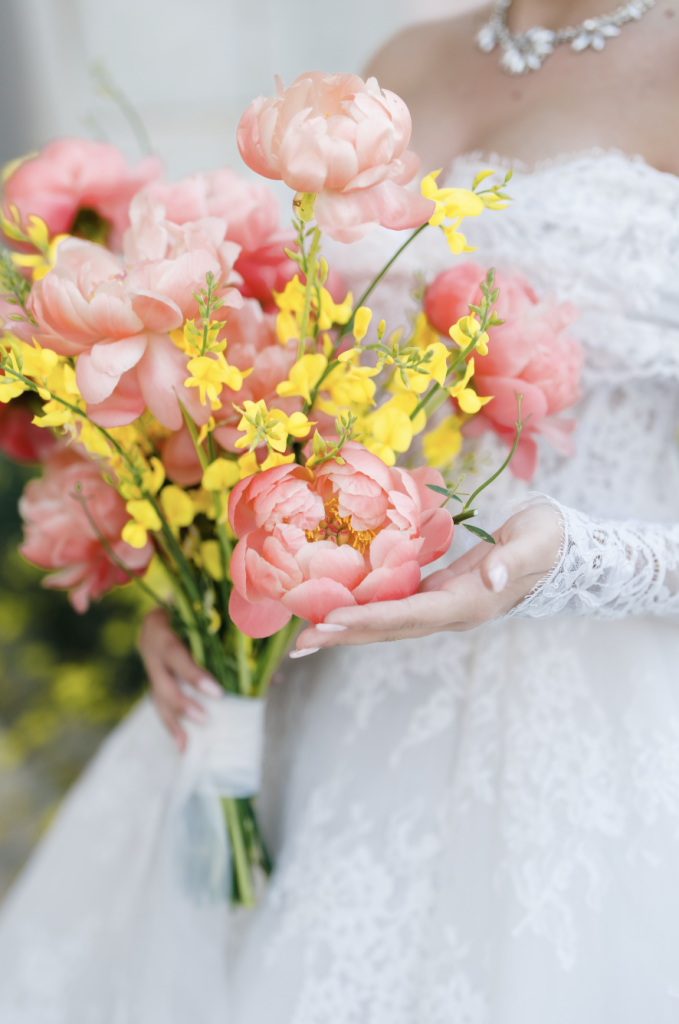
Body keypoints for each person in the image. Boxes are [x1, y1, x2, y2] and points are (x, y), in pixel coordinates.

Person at [3, 1, 679, 1020]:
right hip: (315, 671)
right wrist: (202, 577)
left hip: (585, 717)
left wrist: (572, 558)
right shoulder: (406, 58)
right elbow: (312, 379)